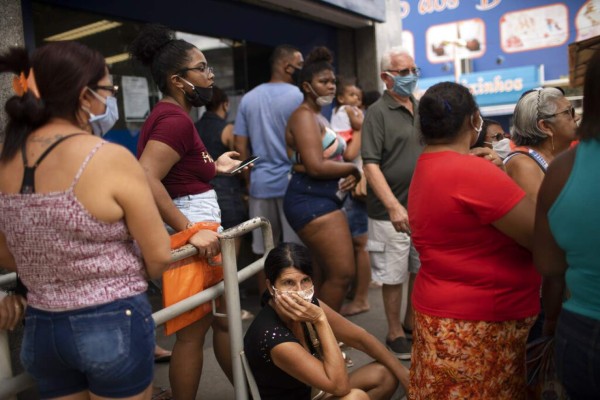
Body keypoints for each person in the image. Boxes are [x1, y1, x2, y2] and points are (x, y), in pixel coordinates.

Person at [0, 42, 171, 399]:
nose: (109, 98)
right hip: (112, 321)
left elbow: (5, 255)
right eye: (108, 89)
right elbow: (159, 254)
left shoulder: (7, 160)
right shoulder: (107, 157)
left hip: (43, 329)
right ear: (84, 96)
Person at [130, 24, 243, 400]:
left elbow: (179, 171)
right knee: (192, 335)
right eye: (203, 68)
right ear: (178, 80)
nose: (210, 76)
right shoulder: (175, 120)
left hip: (198, 221)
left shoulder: (171, 116)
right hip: (193, 227)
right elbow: (147, 176)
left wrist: (217, 167)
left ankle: (250, 391)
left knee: (218, 325)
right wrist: (189, 230)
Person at [407, 81, 541, 399]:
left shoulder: (426, 165)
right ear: (473, 121)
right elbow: (540, 235)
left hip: (440, 313)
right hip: (482, 321)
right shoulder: (472, 172)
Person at [244, 242, 409, 400]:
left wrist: (405, 375)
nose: (299, 291)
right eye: (289, 283)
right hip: (307, 393)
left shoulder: (308, 304)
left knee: (386, 374)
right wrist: (320, 320)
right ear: (271, 286)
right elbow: (340, 387)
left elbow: (360, 338)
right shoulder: (273, 336)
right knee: (355, 397)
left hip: (314, 391)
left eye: (305, 280)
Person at [533, 48, 600, 399]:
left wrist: (552, 324)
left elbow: (549, 267)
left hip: (581, 332)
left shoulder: (560, 172)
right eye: (565, 112)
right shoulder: (535, 164)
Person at [283, 47, 361, 312]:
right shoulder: (304, 116)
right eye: (323, 82)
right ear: (307, 86)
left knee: (325, 275)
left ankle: (316, 342)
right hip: (311, 200)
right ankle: (321, 338)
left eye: (333, 82)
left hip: (323, 199)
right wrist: (353, 170)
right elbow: (315, 166)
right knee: (342, 274)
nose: (330, 87)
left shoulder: (316, 116)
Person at [361, 47, 422, 360]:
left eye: (414, 69)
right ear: (386, 77)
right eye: (403, 72)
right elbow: (370, 164)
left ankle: (411, 324)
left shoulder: (419, 107)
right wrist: (394, 206)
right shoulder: (377, 112)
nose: (410, 76)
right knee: (393, 274)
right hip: (388, 212)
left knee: (418, 269)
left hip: (422, 207)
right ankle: (394, 331)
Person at [234, 44, 305, 294]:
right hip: (292, 184)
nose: (300, 69)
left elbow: (239, 145)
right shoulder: (298, 95)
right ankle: (297, 305)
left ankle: (268, 305)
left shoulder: (249, 99)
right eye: (298, 64)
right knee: (294, 251)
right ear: (286, 65)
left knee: (263, 252)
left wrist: (247, 180)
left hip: (260, 185)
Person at [330, 78, 370, 317]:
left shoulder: (348, 112)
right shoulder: (343, 112)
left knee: (359, 244)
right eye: (352, 95)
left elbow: (351, 152)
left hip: (352, 186)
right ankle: (359, 294)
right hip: (347, 185)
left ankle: (361, 298)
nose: (357, 99)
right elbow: (349, 151)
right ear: (341, 98)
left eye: (358, 95)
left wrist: (359, 127)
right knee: (357, 245)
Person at [506, 87, 580, 201]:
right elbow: (537, 217)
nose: (577, 117)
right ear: (545, 126)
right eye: (568, 112)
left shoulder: (566, 156)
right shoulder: (524, 165)